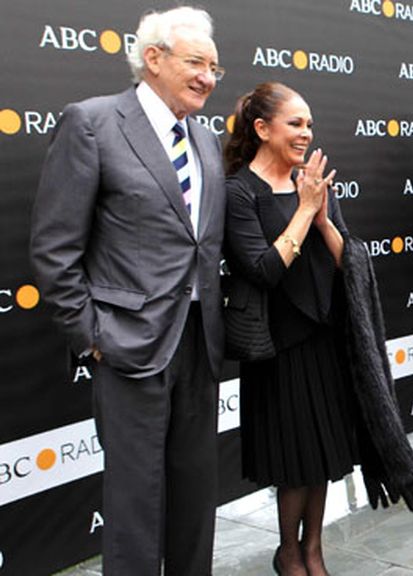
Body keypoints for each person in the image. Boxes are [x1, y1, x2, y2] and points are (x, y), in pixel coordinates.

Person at [29, 7, 225, 574]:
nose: (208, 78)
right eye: (196, 63)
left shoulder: (206, 139)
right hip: (128, 347)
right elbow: (55, 246)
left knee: (195, 502)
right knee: (136, 507)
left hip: (198, 344)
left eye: (215, 68)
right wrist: (91, 337)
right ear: (154, 58)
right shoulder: (91, 123)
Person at [222, 82, 413, 575]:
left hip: (327, 341)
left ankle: (314, 549)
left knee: (321, 456)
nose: (306, 133)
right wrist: (303, 210)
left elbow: (350, 263)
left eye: (310, 124)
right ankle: (288, 552)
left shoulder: (312, 183)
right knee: (294, 462)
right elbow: (262, 270)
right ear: (261, 129)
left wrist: (322, 218)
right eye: (295, 123)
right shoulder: (239, 192)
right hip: (279, 349)